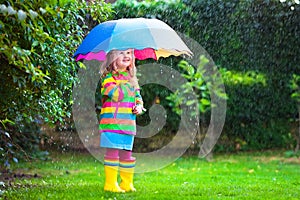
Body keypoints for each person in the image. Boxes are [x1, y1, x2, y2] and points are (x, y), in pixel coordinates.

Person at [99, 49, 145, 193]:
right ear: (112, 59)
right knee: (112, 153)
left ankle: (126, 183)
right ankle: (110, 184)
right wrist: (129, 83)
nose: (126, 56)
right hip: (112, 124)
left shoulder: (131, 80)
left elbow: (138, 97)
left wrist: (139, 106)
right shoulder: (108, 79)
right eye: (121, 53)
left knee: (127, 154)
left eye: (129, 53)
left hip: (128, 125)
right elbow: (117, 95)